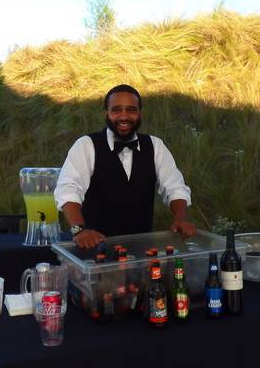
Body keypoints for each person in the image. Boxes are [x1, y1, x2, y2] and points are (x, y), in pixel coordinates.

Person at [54, 84, 196, 249]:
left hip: (141, 251)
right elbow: (68, 190)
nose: (124, 116)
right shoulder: (86, 145)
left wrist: (180, 219)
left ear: (139, 114)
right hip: (94, 250)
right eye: (116, 110)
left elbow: (175, 187)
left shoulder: (155, 145)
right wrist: (79, 230)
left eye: (131, 110)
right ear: (106, 113)